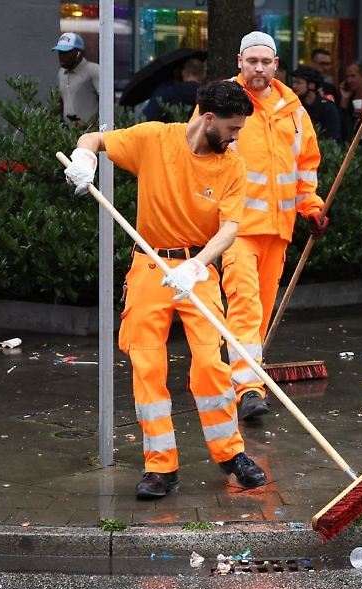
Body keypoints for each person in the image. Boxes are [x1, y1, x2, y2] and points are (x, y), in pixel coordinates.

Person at [62, 80, 268, 499]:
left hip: (197, 269)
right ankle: (160, 467)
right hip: (149, 264)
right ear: (208, 118)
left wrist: (196, 265)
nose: (235, 137)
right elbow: (94, 139)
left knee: (210, 363)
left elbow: (229, 229)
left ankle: (231, 454)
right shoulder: (155, 139)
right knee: (147, 365)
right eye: (232, 128)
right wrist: (84, 158)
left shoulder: (232, 166)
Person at [222, 31, 326, 420]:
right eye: (252, 61)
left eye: (266, 62)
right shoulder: (222, 100)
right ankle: (249, 389)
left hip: (278, 230)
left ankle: (241, 375)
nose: (259, 68)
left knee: (260, 311)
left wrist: (311, 209)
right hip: (235, 229)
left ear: (276, 65)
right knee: (245, 304)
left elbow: (305, 168)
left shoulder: (293, 111)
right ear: (239, 61)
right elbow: (198, 156)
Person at [53, 32, 99, 126]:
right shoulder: (61, 73)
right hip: (67, 130)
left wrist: (92, 125)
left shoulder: (93, 70)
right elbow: (63, 100)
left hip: (89, 130)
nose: (61, 56)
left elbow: (110, 101)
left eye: (66, 53)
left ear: (79, 53)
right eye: (60, 52)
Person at [143, 56, 206, 122]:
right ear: (203, 75)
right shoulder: (208, 95)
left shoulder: (166, 90)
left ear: (183, 73)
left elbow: (148, 117)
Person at [290, 66, 343, 144]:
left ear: (311, 85)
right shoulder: (294, 106)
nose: (294, 86)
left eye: (298, 83)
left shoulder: (328, 108)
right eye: (294, 82)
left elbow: (332, 139)